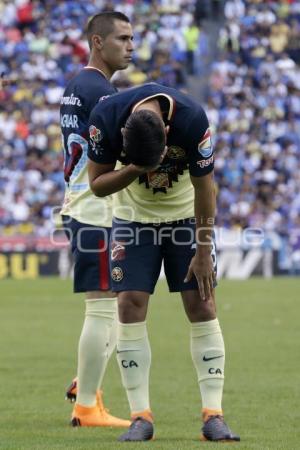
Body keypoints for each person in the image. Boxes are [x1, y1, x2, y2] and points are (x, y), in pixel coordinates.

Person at [87, 83, 240, 442]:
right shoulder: (105, 118)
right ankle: (141, 416)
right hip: (132, 218)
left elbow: (205, 189)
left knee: (202, 303)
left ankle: (213, 415)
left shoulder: (192, 119)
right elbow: (97, 184)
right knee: (129, 304)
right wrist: (138, 168)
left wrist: (203, 252)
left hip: (186, 218)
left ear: (168, 132)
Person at [59, 11, 134, 428]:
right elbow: (118, 154)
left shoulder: (77, 87)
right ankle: (87, 406)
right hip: (96, 211)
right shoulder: (102, 93)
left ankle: (84, 382)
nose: (130, 45)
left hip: (83, 205)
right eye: (122, 38)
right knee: (104, 306)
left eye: (132, 38)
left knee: (118, 303)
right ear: (97, 42)